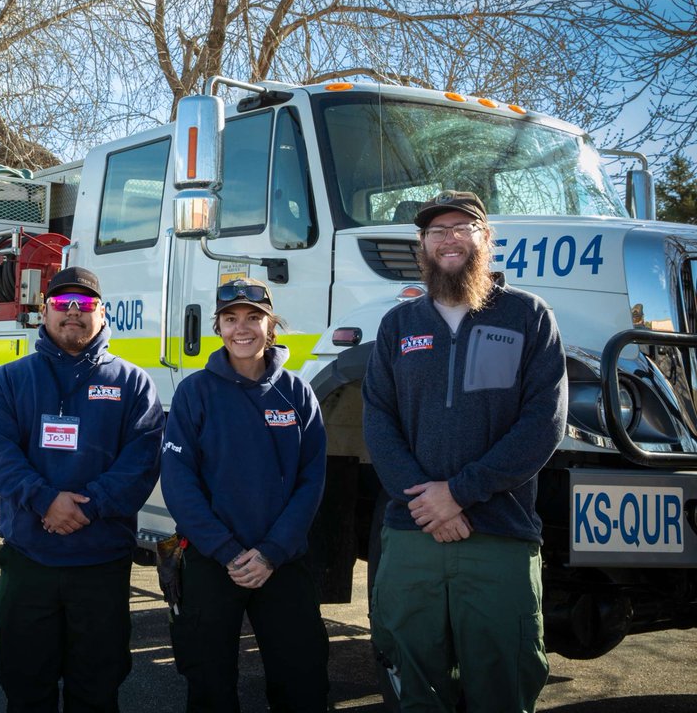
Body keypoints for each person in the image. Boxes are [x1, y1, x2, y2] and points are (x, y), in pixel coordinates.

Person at [362, 190, 567, 712]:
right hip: (413, 535)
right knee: (414, 679)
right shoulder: (398, 325)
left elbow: (544, 423)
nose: (448, 239)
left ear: (485, 239)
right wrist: (425, 502)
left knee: (503, 681)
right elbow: (378, 421)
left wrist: (459, 493)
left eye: (461, 228)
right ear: (423, 247)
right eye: (436, 232)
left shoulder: (528, 317)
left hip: (498, 533)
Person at [0, 266, 163, 713]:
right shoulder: (10, 380)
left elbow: (142, 460)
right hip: (29, 560)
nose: (73, 312)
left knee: (97, 688)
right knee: (25, 684)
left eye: (85, 305)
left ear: (102, 314)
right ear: (45, 313)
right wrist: (45, 499)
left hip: (101, 562)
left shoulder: (133, 384)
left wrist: (90, 506)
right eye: (62, 304)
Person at [161, 277, 330, 713]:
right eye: (231, 318)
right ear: (217, 326)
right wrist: (228, 551)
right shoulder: (193, 393)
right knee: (209, 684)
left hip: (281, 563)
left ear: (270, 324)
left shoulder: (297, 395)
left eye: (254, 317)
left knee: (303, 681)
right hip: (213, 561)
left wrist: (271, 552)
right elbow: (179, 483)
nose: (243, 328)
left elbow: (311, 482)